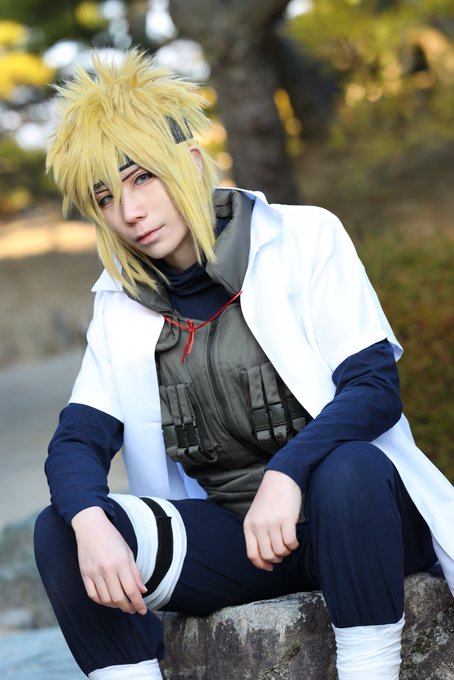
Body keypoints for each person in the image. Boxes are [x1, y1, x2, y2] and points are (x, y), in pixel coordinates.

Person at [34, 48, 454, 680]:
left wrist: (289, 471)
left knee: (347, 467)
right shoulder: (121, 304)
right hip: (244, 542)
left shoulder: (303, 237)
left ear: (189, 163)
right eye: (106, 196)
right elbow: (77, 440)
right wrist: (90, 521)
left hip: (361, 517)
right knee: (62, 528)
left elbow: (373, 388)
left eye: (142, 178)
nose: (130, 211)